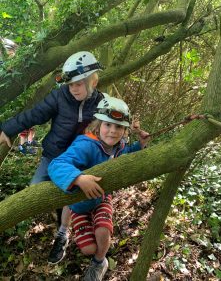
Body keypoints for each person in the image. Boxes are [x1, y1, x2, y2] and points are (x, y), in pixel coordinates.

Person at [0, 51, 104, 264]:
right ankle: (64, 211)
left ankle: (63, 232)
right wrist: (7, 129)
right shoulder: (60, 96)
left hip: (79, 159)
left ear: (93, 81)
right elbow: (35, 114)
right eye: (70, 84)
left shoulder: (101, 103)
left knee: (71, 193)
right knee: (34, 191)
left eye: (79, 83)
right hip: (54, 156)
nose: (73, 88)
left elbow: (110, 129)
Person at [48, 96, 150, 281]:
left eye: (118, 127)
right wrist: (78, 178)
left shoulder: (119, 146)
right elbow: (56, 165)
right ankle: (63, 232)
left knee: (102, 232)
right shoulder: (85, 145)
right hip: (78, 204)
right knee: (88, 248)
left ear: (125, 130)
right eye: (107, 125)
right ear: (98, 125)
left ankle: (99, 262)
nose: (112, 131)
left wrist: (140, 145)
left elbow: (126, 155)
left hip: (101, 198)